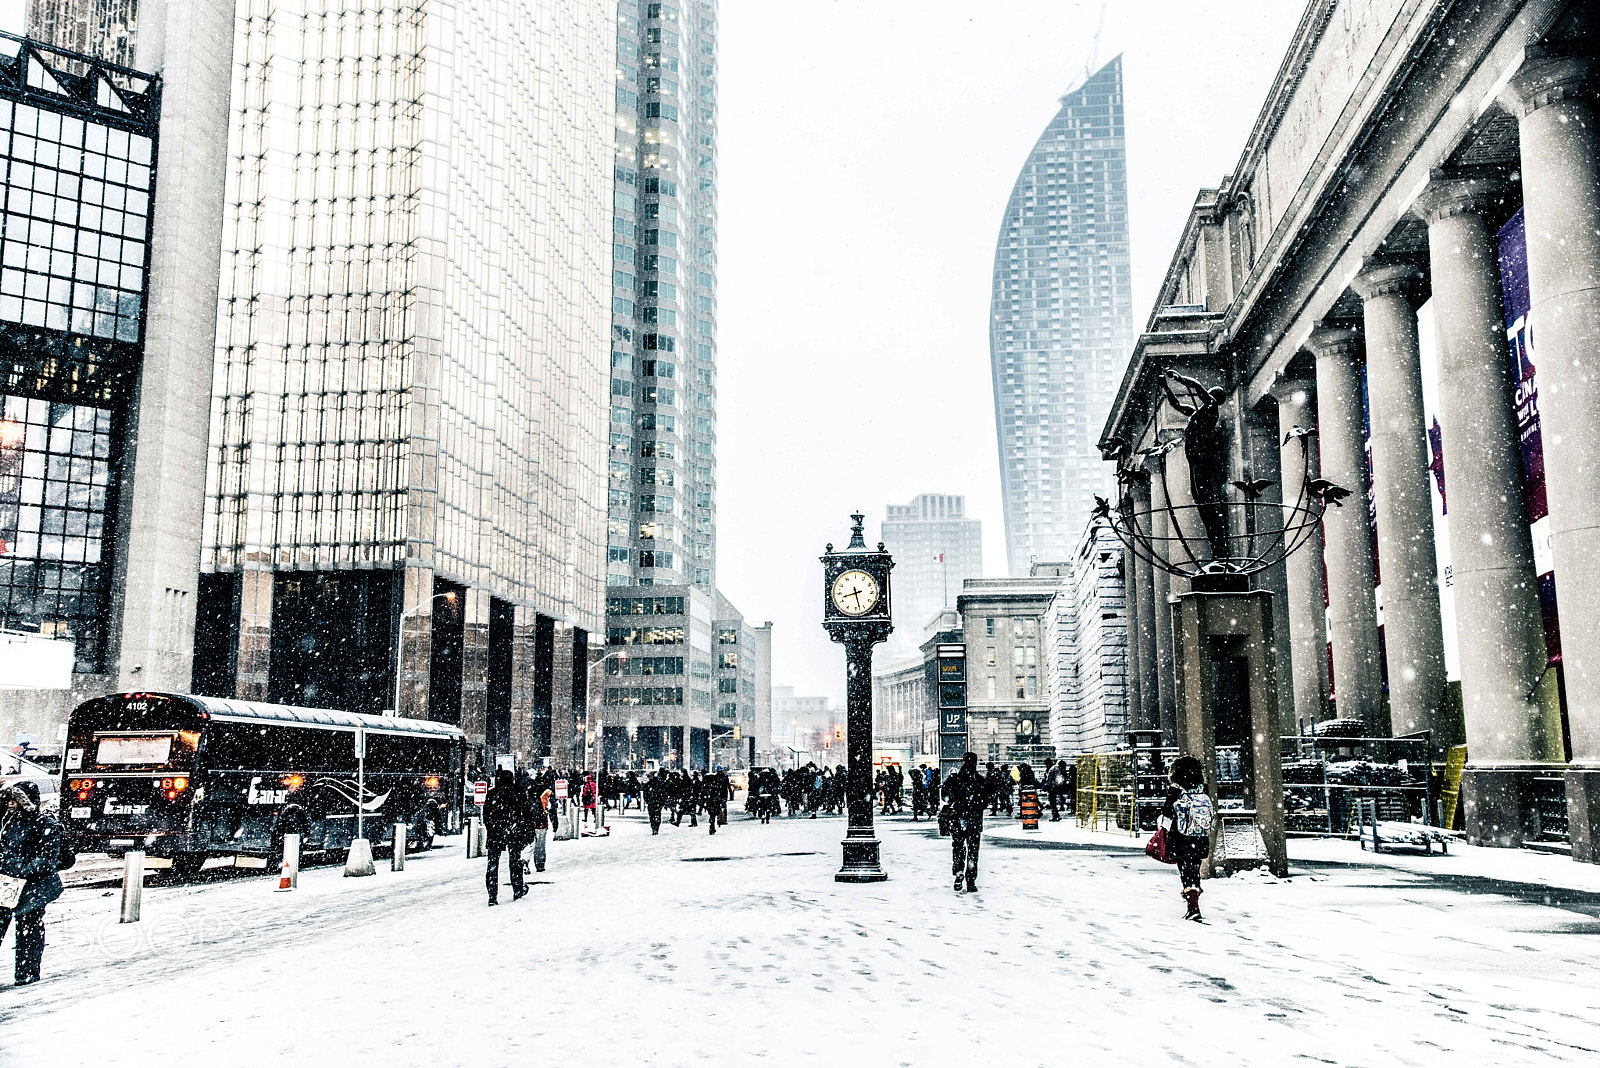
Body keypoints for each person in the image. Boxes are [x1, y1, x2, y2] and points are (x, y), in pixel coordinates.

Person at [0, 781, 63, 984]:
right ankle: (26, 972)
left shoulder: (45, 824)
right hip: (7, 885)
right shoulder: (5, 822)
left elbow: (47, 859)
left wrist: (23, 870)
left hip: (32, 886)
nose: (11, 804)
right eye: (9, 800)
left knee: (29, 929)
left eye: (15, 800)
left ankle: (27, 973)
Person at [1160, 755, 1214, 921]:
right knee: (1194, 869)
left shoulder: (1176, 789)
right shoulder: (1202, 788)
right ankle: (1194, 900)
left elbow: (1168, 812)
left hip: (1181, 837)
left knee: (1185, 871)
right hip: (1199, 837)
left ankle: (1193, 906)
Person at [481, 770, 531, 906]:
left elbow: (486, 815)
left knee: (492, 864)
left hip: (496, 832)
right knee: (514, 861)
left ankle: (492, 895)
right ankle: (517, 889)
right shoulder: (518, 792)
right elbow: (525, 813)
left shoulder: (492, 794)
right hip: (512, 831)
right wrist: (525, 830)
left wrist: (492, 828)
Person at [942, 753, 989, 892]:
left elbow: (945, 796)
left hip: (957, 818)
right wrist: (976, 806)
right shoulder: (980, 780)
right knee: (973, 850)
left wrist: (954, 801)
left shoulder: (955, 778)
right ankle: (971, 879)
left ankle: (958, 872)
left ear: (963, 761)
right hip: (974, 819)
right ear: (975, 763)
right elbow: (986, 800)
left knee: (958, 846)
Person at [644, 769, 668, 834]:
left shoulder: (650, 784)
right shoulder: (659, 783)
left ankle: (654, 828)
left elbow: (645, 793)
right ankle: (655, 827)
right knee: (656, 815)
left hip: (654, 801)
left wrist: (647, 800)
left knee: (653, 815)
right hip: (656, 801)